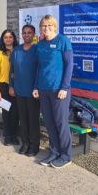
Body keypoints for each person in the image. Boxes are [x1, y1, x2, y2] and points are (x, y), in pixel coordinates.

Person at [33, 15, 74, 168]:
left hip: (59, 90)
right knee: (49, 123)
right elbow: (39, 67)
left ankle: (66, 155)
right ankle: (55, 151)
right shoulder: (40, 44)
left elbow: (69, 65)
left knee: (60, 123)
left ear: (55, 26)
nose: (46, 28)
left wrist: (64, 87)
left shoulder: (63, 41)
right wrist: (36, 86)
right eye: (44, 25)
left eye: (49, 25)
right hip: (44, 90)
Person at [9, 24, 40, 156]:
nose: (26, 35)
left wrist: (37, 87)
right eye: (24, 32)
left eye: (29, 32)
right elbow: (12, 71)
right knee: (23, 118)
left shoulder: (37, 49)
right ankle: (25, 143)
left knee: (33, 119)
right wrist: (11, 85)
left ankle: (34, 145)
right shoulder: (16, 50)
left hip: (33, 92)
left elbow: (40, 71)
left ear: (33, 34)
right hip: (19, 90)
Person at [0, 29, 19, 146]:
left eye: (10, 37)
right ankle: (7, 136)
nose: (8, 39)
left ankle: (14, 135)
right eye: (5, 37)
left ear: (14, 38)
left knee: (15, 112)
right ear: (3, 39)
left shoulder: (18, 51)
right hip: (3, 86)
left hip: (17, 86)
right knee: (6, 112)